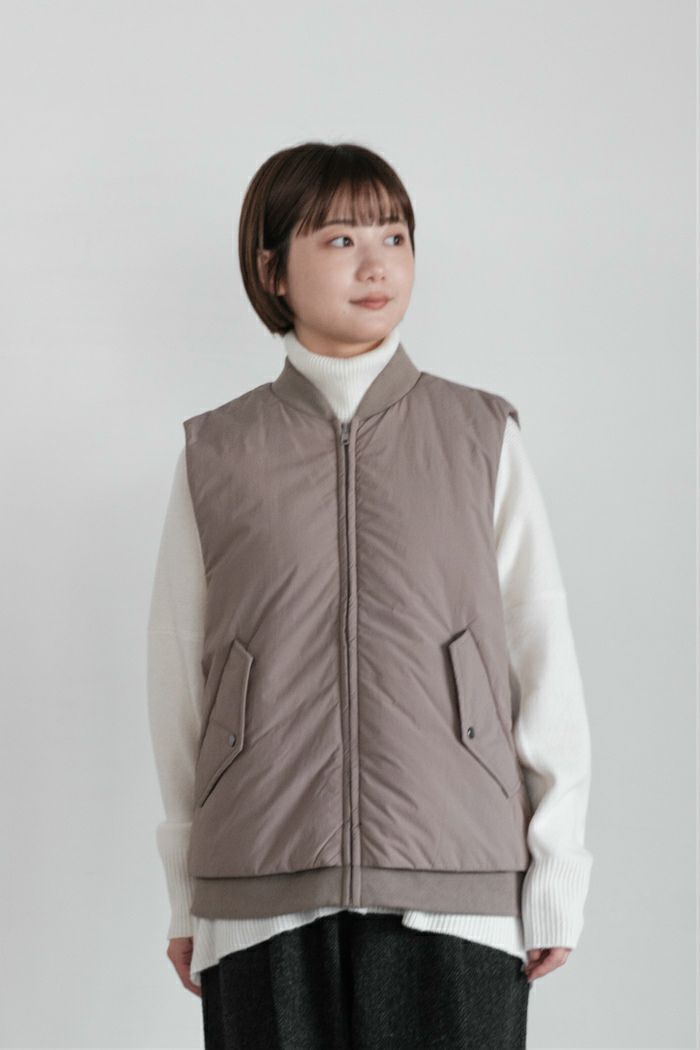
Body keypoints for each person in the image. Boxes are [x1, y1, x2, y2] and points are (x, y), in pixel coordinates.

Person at [147, 140, 593, 1050]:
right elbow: (179, 683)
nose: (377, 263)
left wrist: (557, 867)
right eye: (341, 239)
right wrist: (187, 890)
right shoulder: (218, 454)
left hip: (457, 882)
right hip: (261, 882)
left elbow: (540, 650)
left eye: (394, 236)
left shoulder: (480, 436)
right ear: (273, 270)